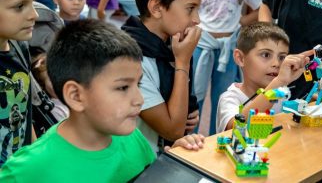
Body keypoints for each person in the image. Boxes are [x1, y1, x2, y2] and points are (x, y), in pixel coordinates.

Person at [0, 19, 205, 181]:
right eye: (123, 87)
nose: (139, 100)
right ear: (76, 95)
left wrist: (171, 165)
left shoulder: (133, 137)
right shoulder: (27, 171)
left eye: (138, 85)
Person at [122, 0, 205, 154]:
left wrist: (188, 109)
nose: (197, 19)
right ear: (157, 7)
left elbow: (183, 118)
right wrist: (183, 63)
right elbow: (173, 129)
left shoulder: (171, 45)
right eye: (190, 8)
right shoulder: (130, 59)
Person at [192, 0, 263, 135]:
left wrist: (243, 21)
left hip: (228, 49)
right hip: (200, 45)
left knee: (224, 99)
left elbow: (262, 5)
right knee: (194, 96)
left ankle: (218, 139)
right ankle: (190, 140)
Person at [216, 22, 312, 133]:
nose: (276, 63)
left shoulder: (280, 94)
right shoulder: (230, 98)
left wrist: (313, 99)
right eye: (266, 55)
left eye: (282, 57)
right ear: (240, 58)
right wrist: (279, 81)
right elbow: (236, 128)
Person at [0, 0, 38, 167]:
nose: (34, 15)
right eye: (19, 6)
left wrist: (33, 159)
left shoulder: (20, 46)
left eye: (31, 3)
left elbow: (26, 113)